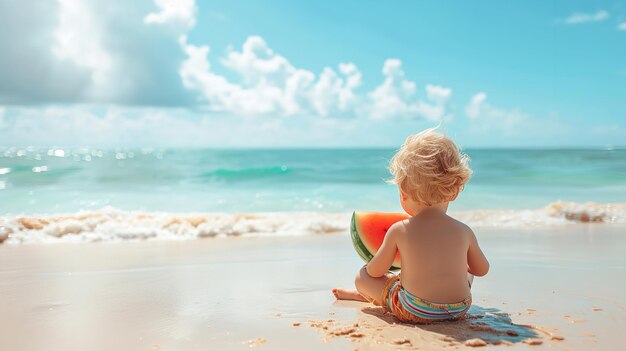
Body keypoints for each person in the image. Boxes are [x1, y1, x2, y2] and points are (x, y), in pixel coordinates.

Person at [332, 128, 489, 323]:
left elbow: (374, 272)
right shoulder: (464, 231)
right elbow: (481, 270)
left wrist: (379, 268)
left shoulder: (399, 230)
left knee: (362, 276)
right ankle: (380, 296)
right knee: (466, 273)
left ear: (404, 193)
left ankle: (369, 295)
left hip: (415, 310)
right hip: (458, 308)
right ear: (455, 191)